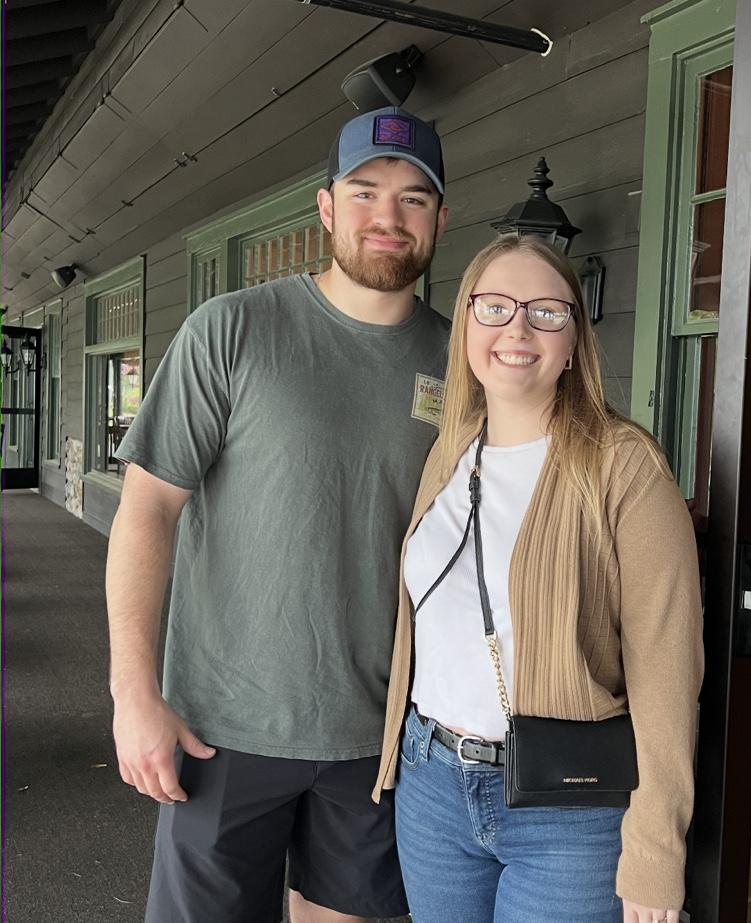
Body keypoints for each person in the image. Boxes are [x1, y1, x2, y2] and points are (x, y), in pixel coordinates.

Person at [106, 106, 449, 923]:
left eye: (413, 199)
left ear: (440, 217)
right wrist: (132, 692)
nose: (387, 217)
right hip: (223, 725)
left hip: (381, 732)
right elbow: (148, 507)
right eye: (365, 192)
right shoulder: (231, 330)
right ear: (326, 208)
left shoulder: (459, 358)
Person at [372, 235, 704, 923]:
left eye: (545, 312)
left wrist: (653, 850)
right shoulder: (449, 447)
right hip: (431, 782)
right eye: (493, 307)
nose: (516, 329)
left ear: (573, 337)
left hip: (568, 808)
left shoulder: (622, 465)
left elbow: (667, 667)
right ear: (465, 320)